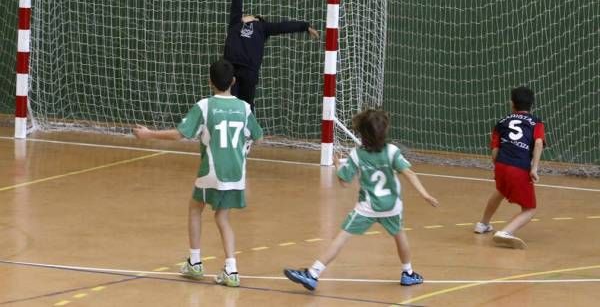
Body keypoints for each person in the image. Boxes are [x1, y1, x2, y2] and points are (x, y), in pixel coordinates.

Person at [133, 58, 263, 287]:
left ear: (210, 82)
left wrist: (149, 134)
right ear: (233, 81)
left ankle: (195, 262)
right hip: (236, 173)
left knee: (195, 208)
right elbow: (258, 136)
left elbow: (179, 134)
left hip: (212, 170)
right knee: (222, 217)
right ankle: (231, 270)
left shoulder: (205, 106)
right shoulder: (244, 107)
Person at [283, 109, 439, 291]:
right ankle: (409, 273)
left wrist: (336, 165)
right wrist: (425, 194)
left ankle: (313, 273)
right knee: (400, 236)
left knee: (342, 237)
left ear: (362, 133)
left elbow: (344, 182)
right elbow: (409, 173)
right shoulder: (392, 152)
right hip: (391, 206)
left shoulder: (357, 154)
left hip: (368, 207)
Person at [224, 0, 319, 112]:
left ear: (257, 19)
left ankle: (249, 132)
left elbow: (283, 27)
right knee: (230, 102)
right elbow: (236, 4)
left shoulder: (262, 27)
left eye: (254, 17)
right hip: (230, 68)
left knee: (246, 105)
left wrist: (305, 26)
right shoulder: (236, 22)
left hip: (248, 70)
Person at [474, 86, 545, 249]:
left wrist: (500, 168)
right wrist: (534, 168)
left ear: (511, 104)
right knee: (530, 209)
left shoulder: (501, 122)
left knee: (500, 190)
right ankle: (506, 232)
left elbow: (495, 152)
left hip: (501, 164)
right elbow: (539, 143)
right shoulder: (536, 122)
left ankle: (483, 224)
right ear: (532, 105)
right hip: (519, 167)